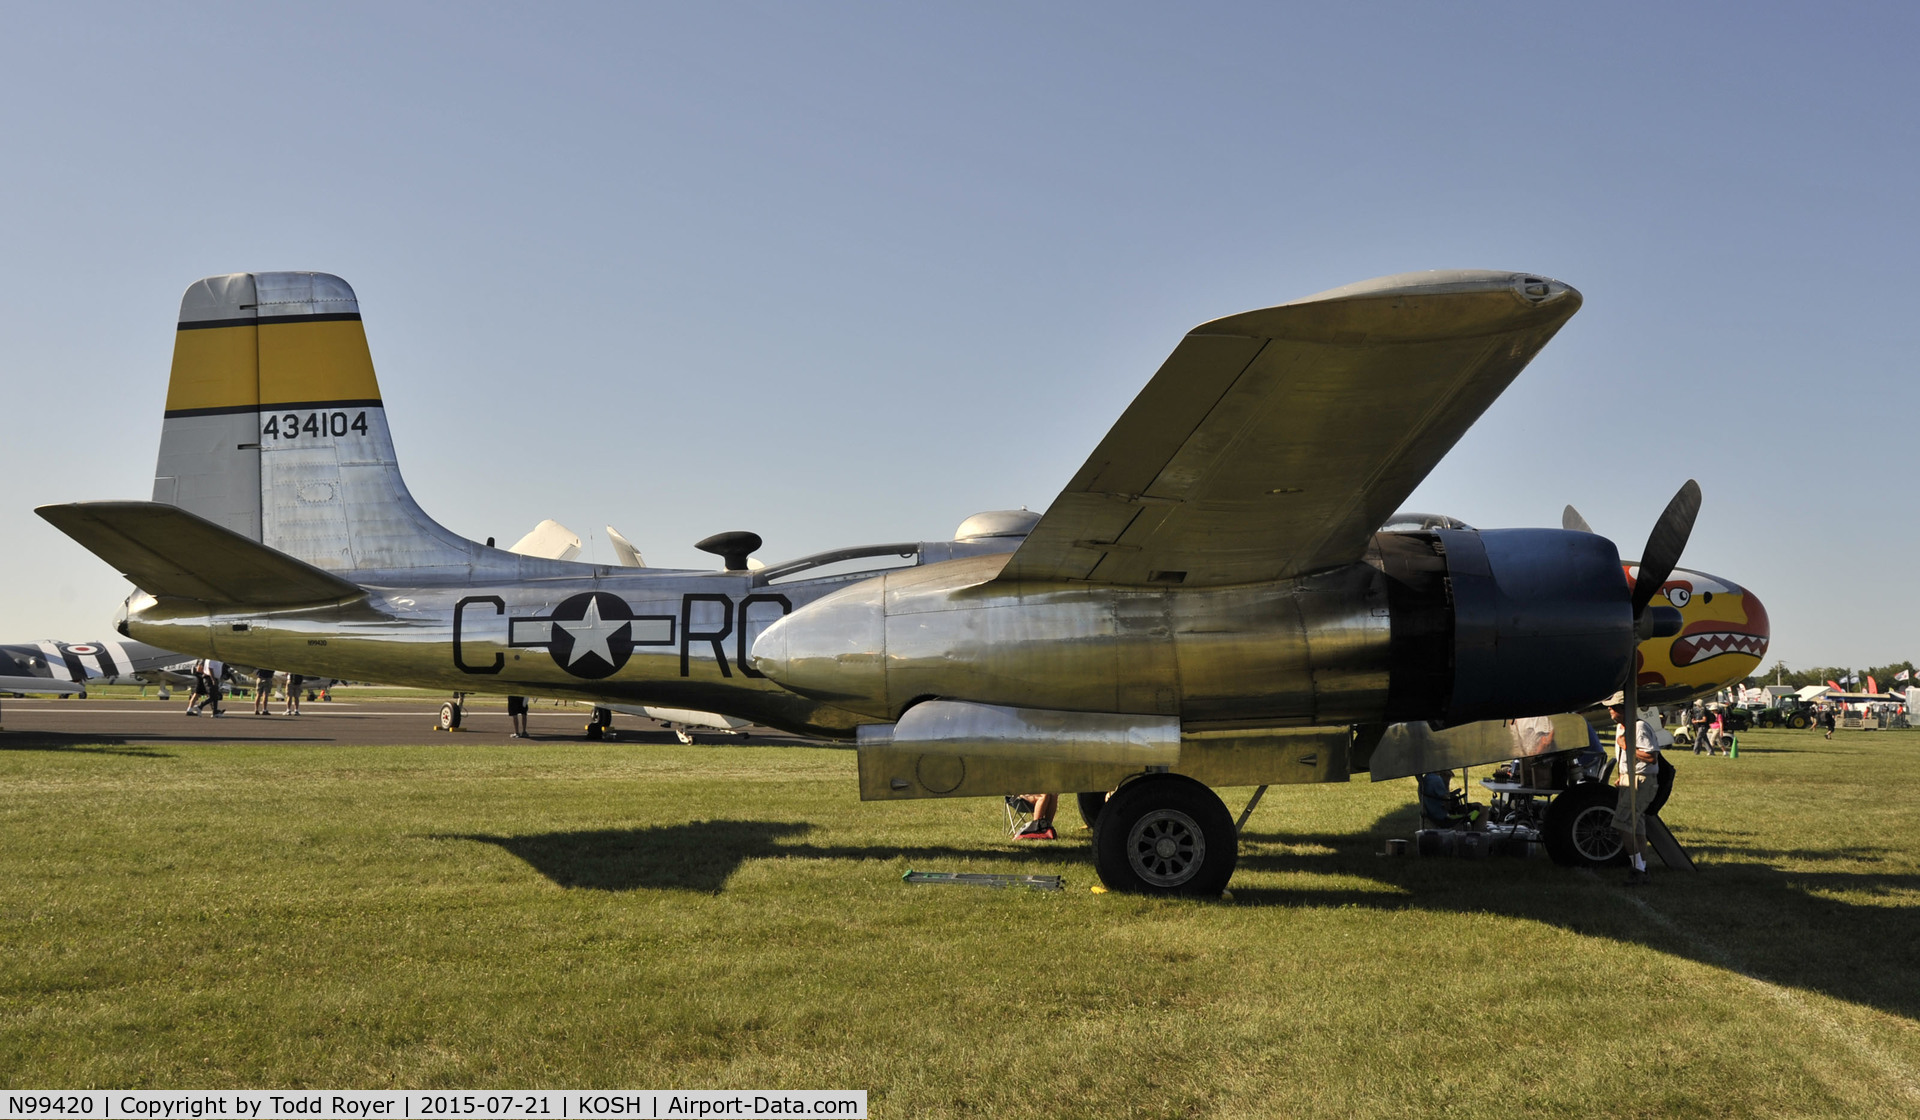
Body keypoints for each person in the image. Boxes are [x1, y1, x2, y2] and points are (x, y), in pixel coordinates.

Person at [1603, 692, 1660, 885]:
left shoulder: (1639, 727)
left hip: (1641, 780)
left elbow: (1651, 757)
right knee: (1637, 826)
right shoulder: (1622, 727)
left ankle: (1638, 870)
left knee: (1621, 823)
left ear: (1624, 708)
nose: (1610, 709)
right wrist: (1622, 776)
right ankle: (1642, 868)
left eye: (1614, 706)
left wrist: (1627, 746)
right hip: (1631, 779)